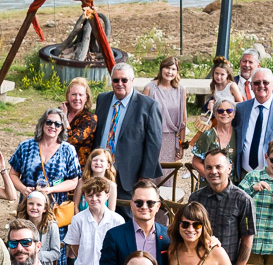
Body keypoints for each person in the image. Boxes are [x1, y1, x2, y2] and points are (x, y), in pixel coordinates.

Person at [93, 62, 165, 196]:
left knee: (126, 215)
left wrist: (145, 177)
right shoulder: (103, 99)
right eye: (116, 80)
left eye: (124, 80)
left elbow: (154, 144)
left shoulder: (148, 106)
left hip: (129, 176)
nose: (120, 83)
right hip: (101, 171)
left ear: (132, 80)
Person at [189, 148, 255, 265]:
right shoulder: (195, 198)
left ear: (229, 168)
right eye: (209, 167)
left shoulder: (243, 200)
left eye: (218, 167)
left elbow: (247, 238)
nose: (213, 171)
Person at [98, 178, 170, 265]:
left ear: (158, 206)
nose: (144, 206)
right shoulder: (114, 236)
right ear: (131, 204)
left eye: (150, 203)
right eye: (139, 202)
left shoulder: (168, 236)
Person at [5, 108, 82, 208]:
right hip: (28, 205)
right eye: (49, 122)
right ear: (42, 124)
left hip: (56, 207)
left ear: (62, 128)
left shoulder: (68, 150)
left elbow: (73, 181)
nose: (52, 126)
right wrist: (23, 189)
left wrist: (52, 189)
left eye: (57, 124)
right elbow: (13, 174)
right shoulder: (25, 146)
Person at [65, 176, 124, 265]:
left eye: (98, 195)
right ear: (85, 197)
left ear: (107, 196)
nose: (94, 199)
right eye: (90, 195)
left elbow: (120, 248)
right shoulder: (78, 219)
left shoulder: (117, 220)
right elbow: (75, 246)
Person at [142, 56, 189, 173]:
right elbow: (141, 118)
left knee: (167, 175)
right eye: (167, 68)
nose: (170, 72)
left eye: (173, 69)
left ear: (177, 72)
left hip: (171, 139)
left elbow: (183, 120)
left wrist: (181, 146)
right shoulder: (149, 88)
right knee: (150, 175)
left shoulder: (181, 90)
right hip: (152, 137)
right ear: (161, 68)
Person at [14, 190, 63, 265]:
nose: (34, 207)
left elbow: (55, 253)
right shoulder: (19, 225)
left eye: (39, 205)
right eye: (31, 204)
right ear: (26, 206)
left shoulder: (51, 226)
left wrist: (33, 255)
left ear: (44, 209)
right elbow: (12, 248)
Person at [191, 96, 238, 177]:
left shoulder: (238, 134)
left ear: (234, 114)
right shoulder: (207, 135)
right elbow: (196, 162)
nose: (225, 113)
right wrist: (212, 178)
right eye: (220, 111)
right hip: (210, 184)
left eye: (229, 111)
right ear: (215, 114)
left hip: (231, 185)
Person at [62, 77, 99, 169]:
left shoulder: (90, 118)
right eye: (73, 94)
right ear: (68, 96)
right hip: (59, 163)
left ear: (86, 98)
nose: (77, 98)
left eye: (80, 95)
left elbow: (71, 139)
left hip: (78, 168)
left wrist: (64, 118)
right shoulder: (60, 112)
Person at [78, 147, 120, 213]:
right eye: (95, 160)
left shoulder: (111, 185)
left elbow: (111, 210)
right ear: (90, 163)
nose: (98, 163)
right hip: (82, 220)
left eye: (102, 161)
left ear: (108, 166)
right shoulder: (82, 181)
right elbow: (75, 205)